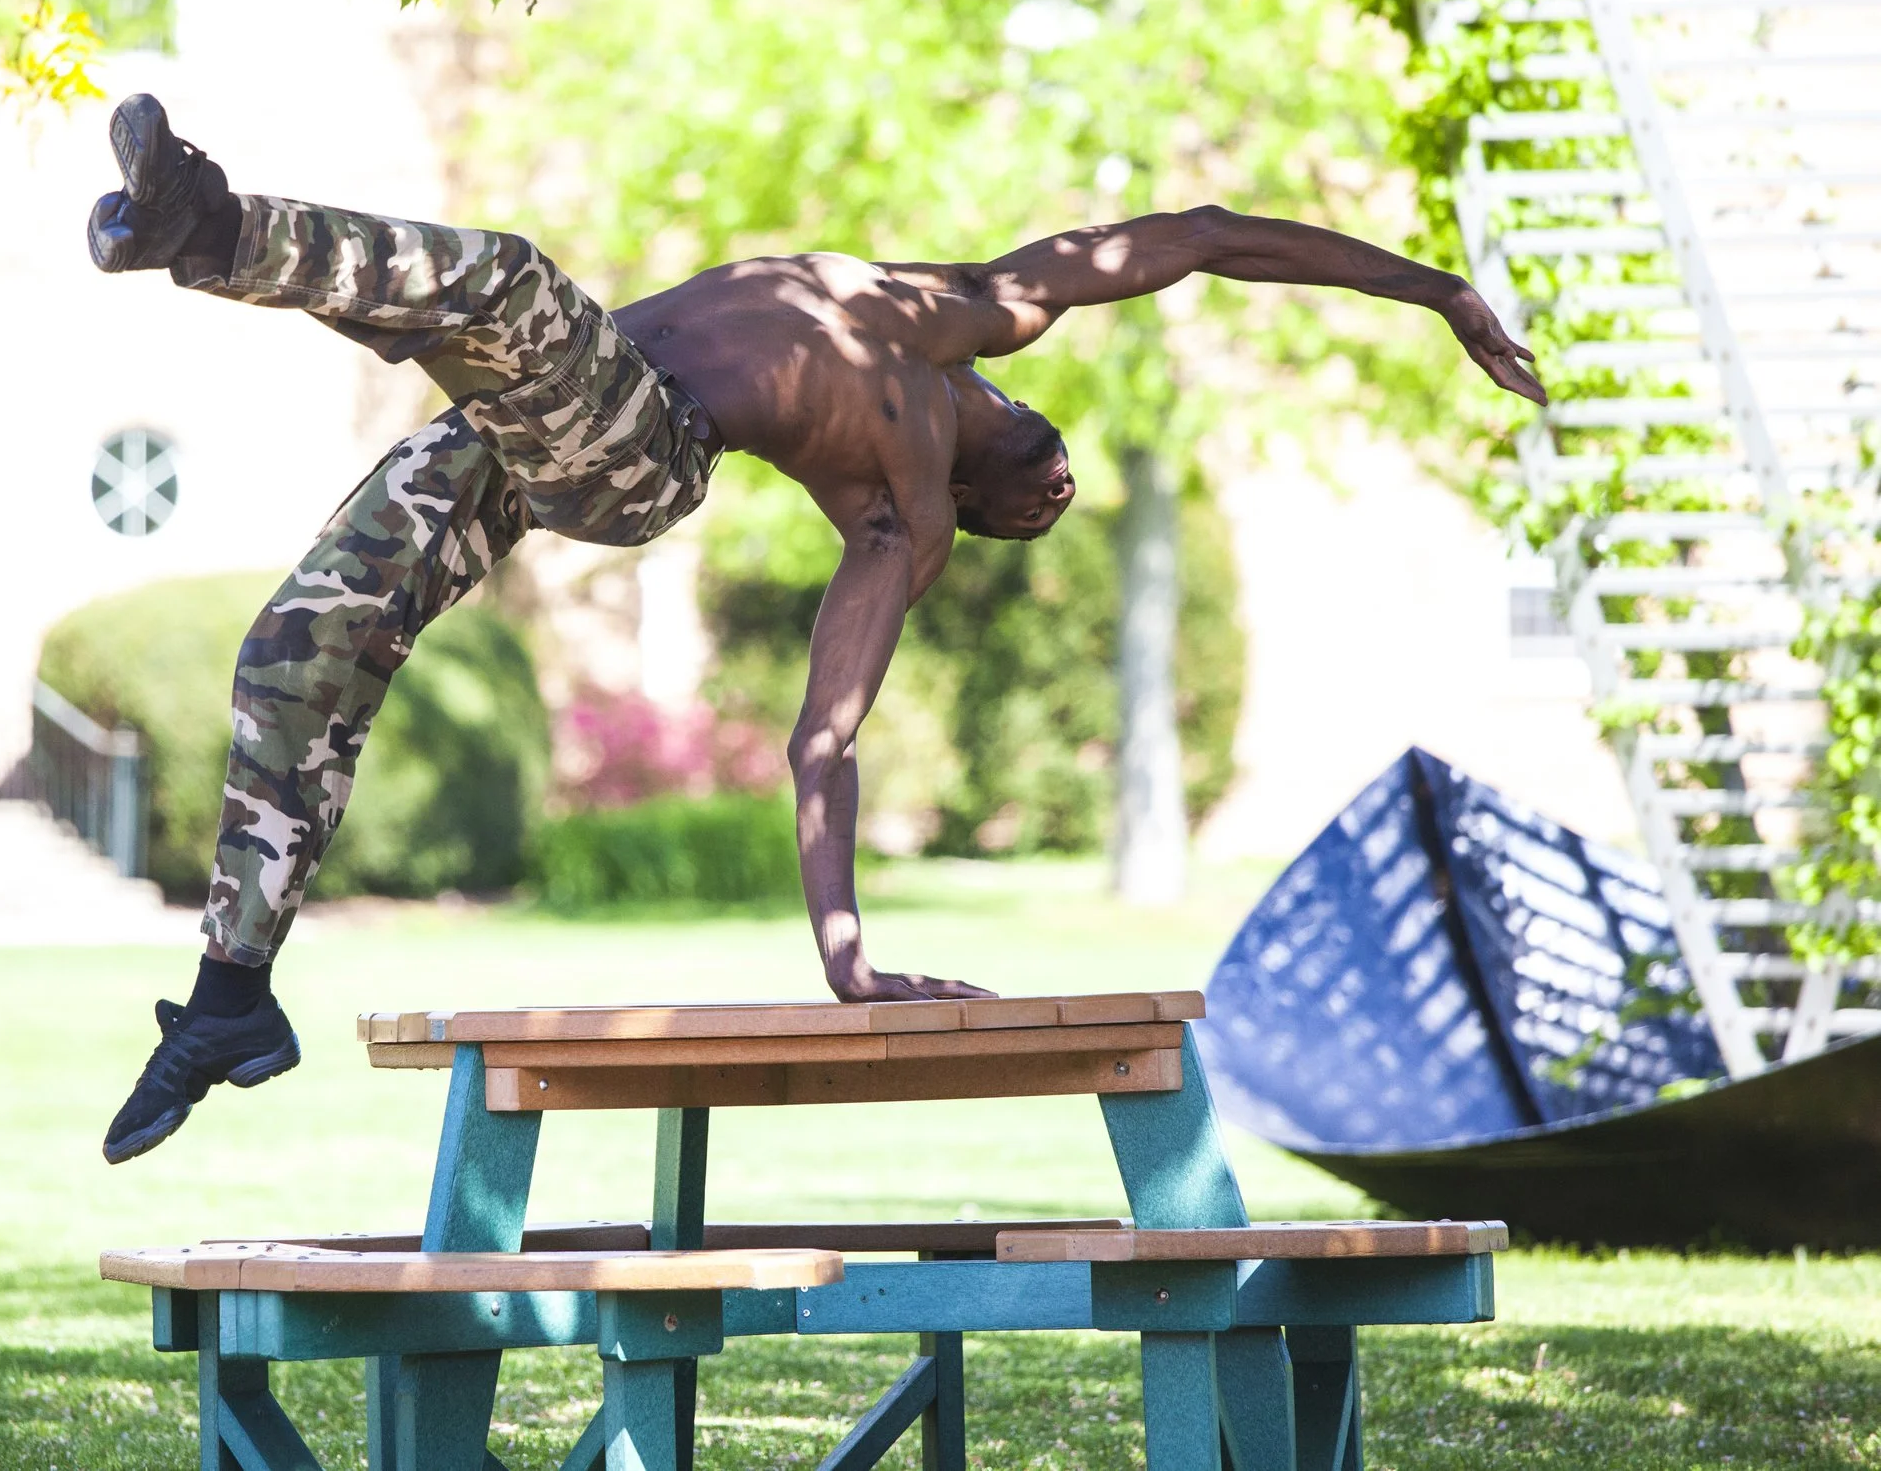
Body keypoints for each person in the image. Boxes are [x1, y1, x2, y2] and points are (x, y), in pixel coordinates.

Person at [86, 92, 1547, 1164]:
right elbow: (1202, 237)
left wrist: (847, 951)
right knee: (298, 648)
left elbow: (823, 743)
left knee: (514, 283)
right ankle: (230, 995)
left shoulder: (893, 515)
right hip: (522, 413)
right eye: (1061, 471)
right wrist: (1436, 292)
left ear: (980, 503)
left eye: (1041, 509)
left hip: (636, 448)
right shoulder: (969, 305)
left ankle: (207, 225)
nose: (1062, 482)